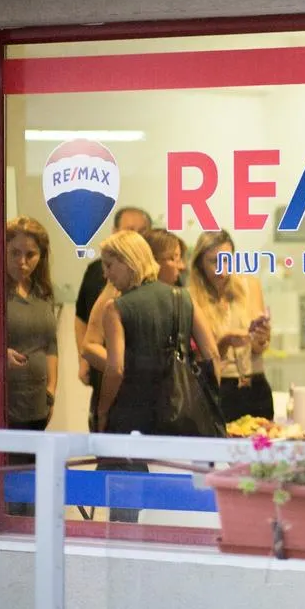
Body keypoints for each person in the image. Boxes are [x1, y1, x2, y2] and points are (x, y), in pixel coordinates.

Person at [89, 231, 218, 521]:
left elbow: (116, 368)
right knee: (176, 510)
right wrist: (208, 400)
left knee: (125, 513)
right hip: (178, 418)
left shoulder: (116, 307)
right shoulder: (183, 298)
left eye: (109, 265)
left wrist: (102, 411)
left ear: (129, 262)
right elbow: (212, 354)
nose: (106, 274)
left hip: (129, 422)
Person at [73, 206, 151, 431]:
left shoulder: (154, 274)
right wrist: (83, 360)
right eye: (130, 230)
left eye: (142, 231)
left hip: (143, 379)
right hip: (106, 371)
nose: (136, 237)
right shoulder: (96, 271)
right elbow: (81, 318)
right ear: (115, 231)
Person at [189, 230, 274, 423]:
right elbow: (197, 360)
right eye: (214, 262)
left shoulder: (250, 286)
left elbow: (258, 348)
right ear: (200, 263)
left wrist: (261, 337)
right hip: (218, 387)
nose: (222, 270)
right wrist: (224, 341)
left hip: (255, 384)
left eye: (227, 260)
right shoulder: (191, 298)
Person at [4, 217, 59, 516]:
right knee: (11, 492)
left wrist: (51, 392)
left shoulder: (42, 292)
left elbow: (51, 346)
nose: (22, 262)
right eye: (15, 253)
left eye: (30, 255)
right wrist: (0, 355)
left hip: (38, 404)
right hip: (6, 404)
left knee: (35, 493)